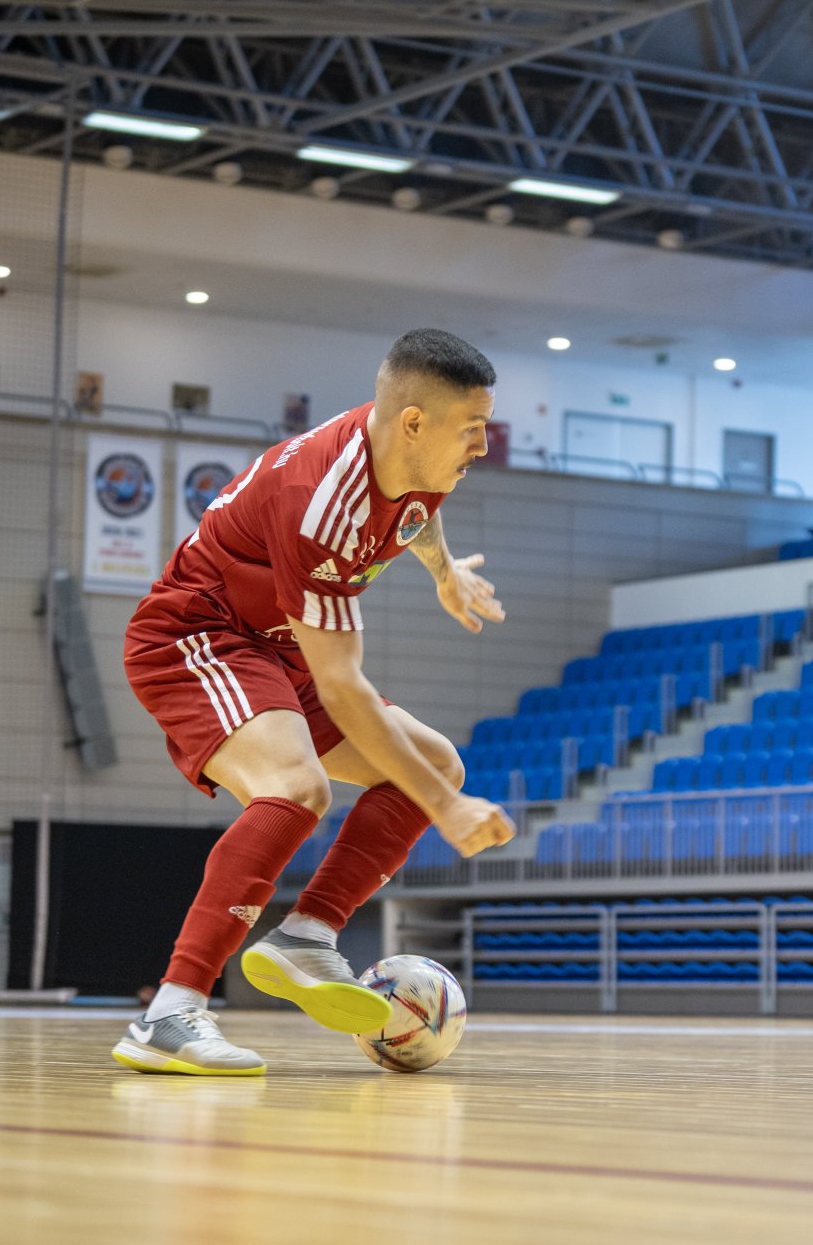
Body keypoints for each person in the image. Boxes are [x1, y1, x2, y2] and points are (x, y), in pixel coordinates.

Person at [113, 328, 516, 1076]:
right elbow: (343, 687)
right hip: (198, 634)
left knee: (437, 762)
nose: (482, 445)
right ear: (415, 422)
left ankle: (306, 935)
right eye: (472, 428)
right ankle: (168, 1014)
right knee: (298, 787)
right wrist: (446, 811)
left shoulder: (413, 457)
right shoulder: (322, 502)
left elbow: (418, 513)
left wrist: (444, 572)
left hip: (277, 643)